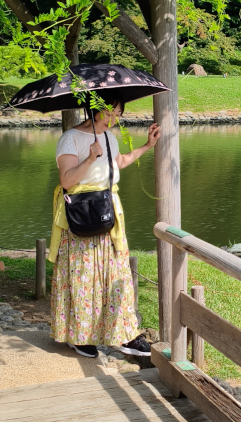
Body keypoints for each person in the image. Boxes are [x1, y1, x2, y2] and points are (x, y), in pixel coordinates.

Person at [50, 93, 160, 359]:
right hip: (80, 214)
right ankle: (79, 336)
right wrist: (89, 158)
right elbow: (67, 181)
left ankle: (124, 335)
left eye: (118, 115)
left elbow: (119, 163)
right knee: (81, 277)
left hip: (107, 211)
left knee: (117, 274)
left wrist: (147, 146)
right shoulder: (70, 138)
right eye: (110, 112)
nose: (114, 119)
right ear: (95, 108)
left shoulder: (109, 137)